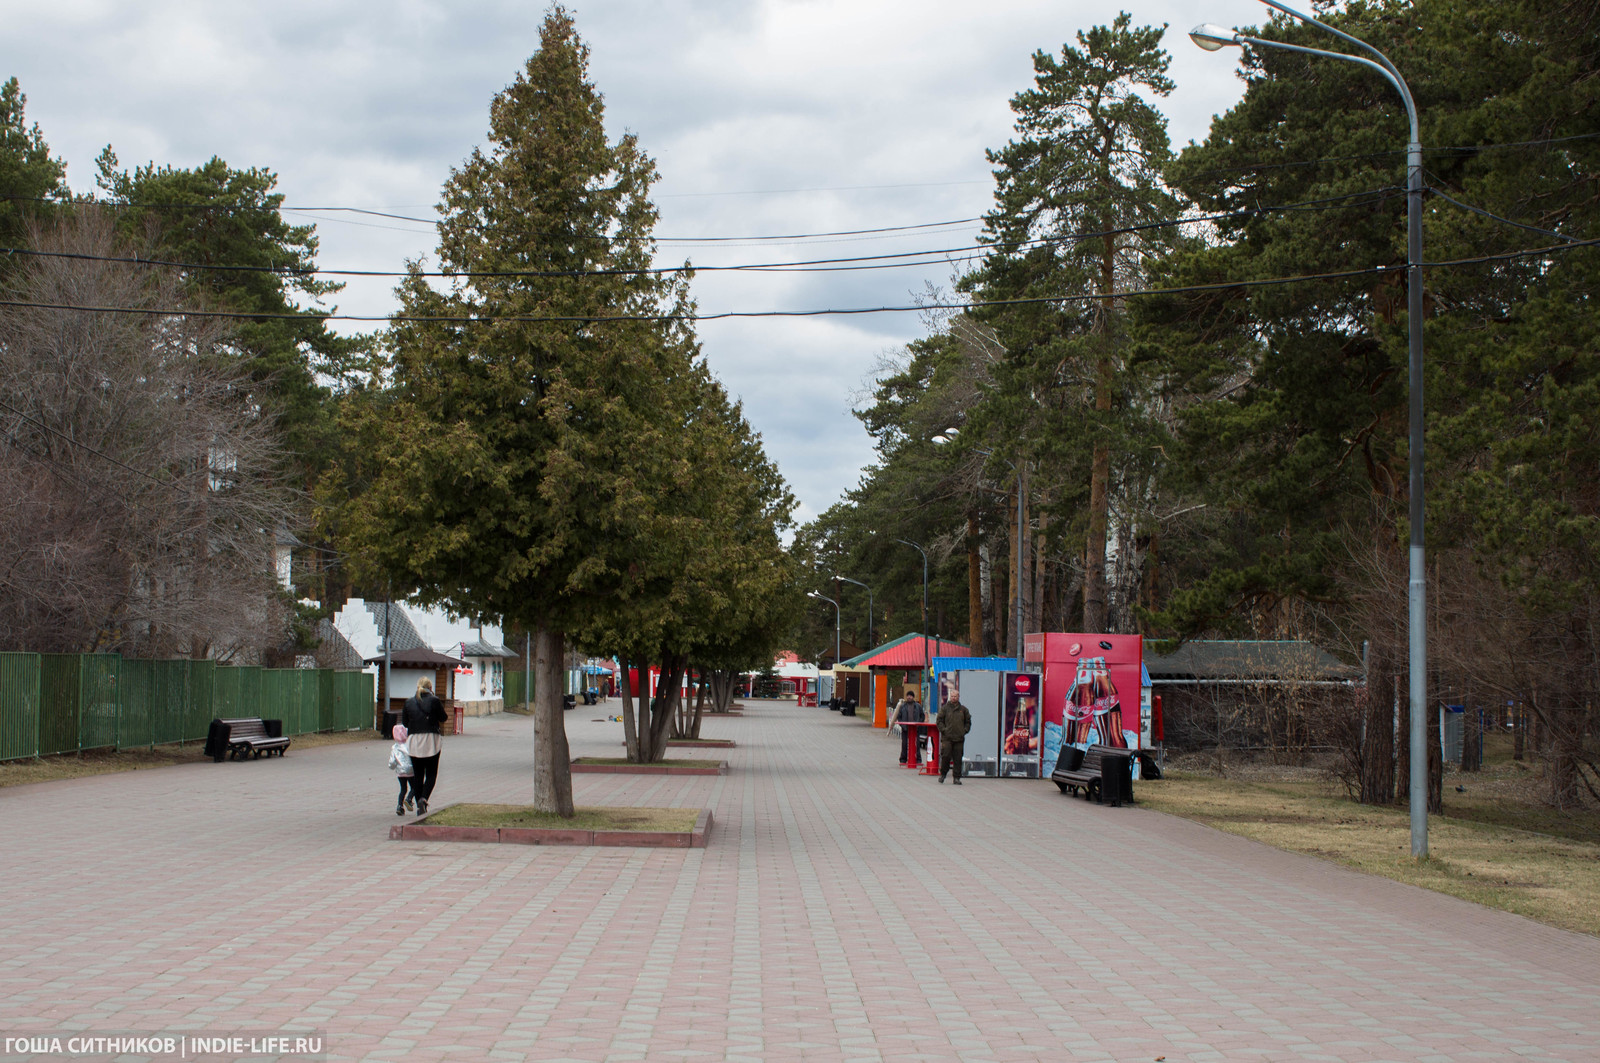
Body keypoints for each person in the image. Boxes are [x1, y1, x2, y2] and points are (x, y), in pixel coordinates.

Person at [402, 677, 448, 814]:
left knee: (418, 775)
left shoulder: (409, 702)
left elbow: (405, 722)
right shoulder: (434, 700)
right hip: (431, 740)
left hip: (414, 741)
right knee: (431, 773)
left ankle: (419, 805)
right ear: (430, 687)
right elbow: (444, 718)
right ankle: (424, 798)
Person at [938, 695, 972, 785]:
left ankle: (957, 777)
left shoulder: (964, 710)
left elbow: (968, 722)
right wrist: (944, 730)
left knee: (958, 758)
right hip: (947, 738)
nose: (954, 698)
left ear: (958, 697)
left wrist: (964, 731)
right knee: (946, 756)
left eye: (955, 696)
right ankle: (943, 774)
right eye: (952, 696)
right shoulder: (945, 709)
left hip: (959, 738)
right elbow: (939, 720)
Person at [388, 723, 414, 816]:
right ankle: (409, 799)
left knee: (403, 789)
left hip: (400, 772)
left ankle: (399, 806)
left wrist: (393, 767)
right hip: (410, 770)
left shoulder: (394, 747)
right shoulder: (409, 745)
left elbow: (392, 762)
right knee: (414, 787)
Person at [893, 691, 925, 764]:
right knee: (904, 744)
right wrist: (902, 725)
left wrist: (918, 723)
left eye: (910, 696)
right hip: (905, 729)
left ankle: (918, 759)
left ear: (913, 697)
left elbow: (922, 716)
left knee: (916, 744)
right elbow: (899, 716)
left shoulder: (918, 706)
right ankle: (903, 759)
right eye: (908, 696)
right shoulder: (903, 706)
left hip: (915, 729)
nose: (909, 697)